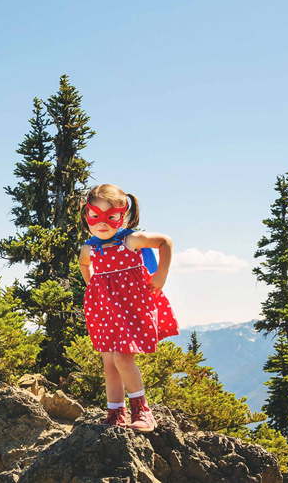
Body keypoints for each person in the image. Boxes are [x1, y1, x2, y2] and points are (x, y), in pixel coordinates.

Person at [78, 184, 179, 432]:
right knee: (109, 362)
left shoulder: (130, 240)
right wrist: (94, 287)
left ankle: (142, 410)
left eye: (111, 217)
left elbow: (165, 242)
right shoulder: (89, 248)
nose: (102, 223)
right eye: (95, 216)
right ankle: (115, 412)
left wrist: (161, 274)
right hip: (104, 311)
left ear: (122, 216)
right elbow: (84, 265)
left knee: (123, 357)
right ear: (86, 215)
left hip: (131, 309)